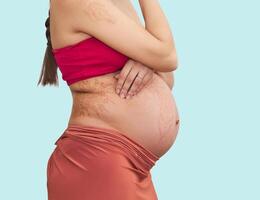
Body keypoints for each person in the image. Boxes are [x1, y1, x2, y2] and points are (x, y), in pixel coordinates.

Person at [38, 0, 180, 199]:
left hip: (129, 166)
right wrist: (154, 59)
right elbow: (167, 56)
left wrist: (148, 64)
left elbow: (167, 75)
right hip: (95, 160)